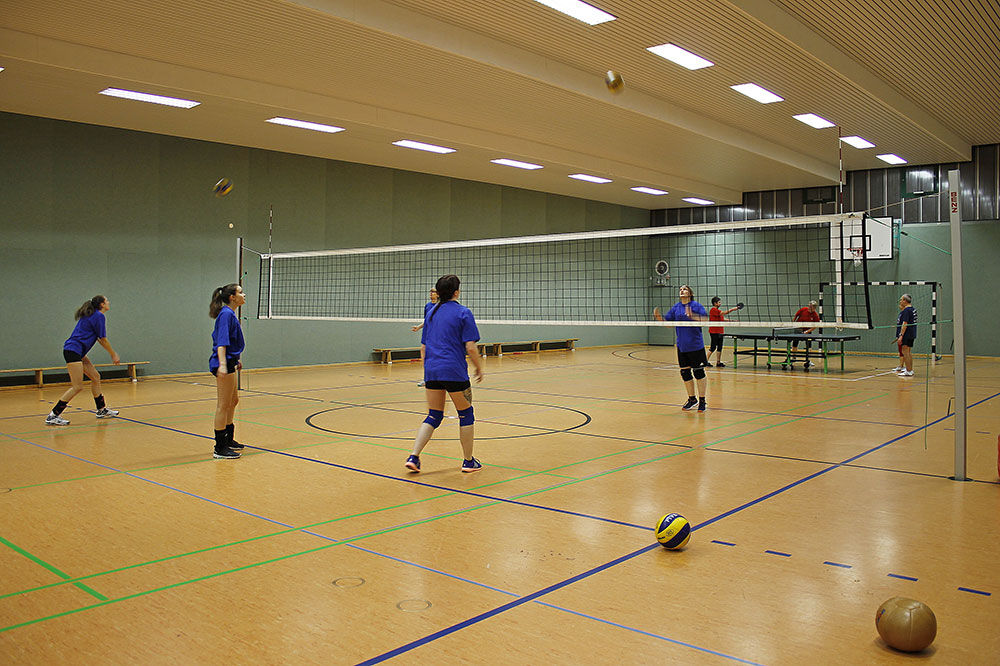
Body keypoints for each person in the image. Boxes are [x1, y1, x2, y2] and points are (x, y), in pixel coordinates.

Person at [405, 275, 485, 473]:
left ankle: (414, 456)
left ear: (438, 293)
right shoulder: (463, 313)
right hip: (454, 370)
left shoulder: (431, 313)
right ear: (456, 292)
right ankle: (468, 461)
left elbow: (423, 348)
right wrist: (478, 367)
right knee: (466, 413)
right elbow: (471, 347)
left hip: (432, 370)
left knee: (434, 415)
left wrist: (428, 371)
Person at [45, 295, 121, 425]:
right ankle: (53, 415)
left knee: (96, 377)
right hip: (73, 351)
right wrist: (113, 354)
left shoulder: (93, 315)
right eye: (106, 300)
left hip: (78, 352)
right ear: (102, 304)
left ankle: (101, 409)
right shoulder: (98, 316)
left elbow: (98, 338)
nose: (109, 302)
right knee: (77, 386)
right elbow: (102, 339)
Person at [654, 284, 709, 412]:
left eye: (684, 289)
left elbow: (706, 320)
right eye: (680, 289)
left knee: (699, 373)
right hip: (682, 346)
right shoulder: (676, 307)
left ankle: (702, 401)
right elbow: (668, 324)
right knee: (685, 373)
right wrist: (659, 319)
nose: (681, 290)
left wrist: (692, 316)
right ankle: (692, 399)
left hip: (695, 345)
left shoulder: (696, 306)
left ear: (690, 293)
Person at [209, 284, 247, 459]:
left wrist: (235, 359)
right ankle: (220, 447)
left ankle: (229, 438)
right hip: (222, 362)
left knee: (233, 400)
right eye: (240, 292)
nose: (243, 294)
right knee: (223, 405)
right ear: (232, 297)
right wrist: (223, 364)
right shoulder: (225, 315)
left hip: (230, 361)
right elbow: (222, 342)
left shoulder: (230, 314)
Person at [412, 288, 439, 387]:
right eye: (430, 292)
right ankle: (426, 378)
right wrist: (418, 327)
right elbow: (426, 320)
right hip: (426, 332)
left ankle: (438, 378)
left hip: (435, 333)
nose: (431, 294)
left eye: (433, 292)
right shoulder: (427, 306)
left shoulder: (440, 306)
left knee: (435, 355)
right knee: (423, 351)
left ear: (438, 295)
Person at [707, 296, 739, 368]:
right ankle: (705, 361)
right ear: (715, 303)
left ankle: (718, 362)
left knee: (720, 347)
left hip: (720, 332)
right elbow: (725, 313)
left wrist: (732, 321)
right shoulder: (713, 310)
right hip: (714, 331)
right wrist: (734, 309)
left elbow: (723, 319)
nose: (720, 303)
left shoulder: (718, 312)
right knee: (713, 347)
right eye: (719, 302)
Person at [791, 300, 821, 368]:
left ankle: (808, 360)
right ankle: (793, 357)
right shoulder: (803, 309)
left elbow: (815, 326)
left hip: (807, 331)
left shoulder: (815, 315)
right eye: (809, 306)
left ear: (814, 308)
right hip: (798, 329)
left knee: (809, 345)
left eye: (811, 307)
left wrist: (807, 331)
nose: (810, 308)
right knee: (795, 344)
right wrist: (793, 324)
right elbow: (796, 316)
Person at [893, 294, 917, 377]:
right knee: (908, 352)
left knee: (905, 352)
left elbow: (905, 323)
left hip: (907, 334)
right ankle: (909, 370)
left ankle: (908, 370)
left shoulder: (906, 310)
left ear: (905, 301)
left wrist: (901, 335)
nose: (900, 301)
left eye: (901, 300)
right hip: (911, 333)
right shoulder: (913, 309)